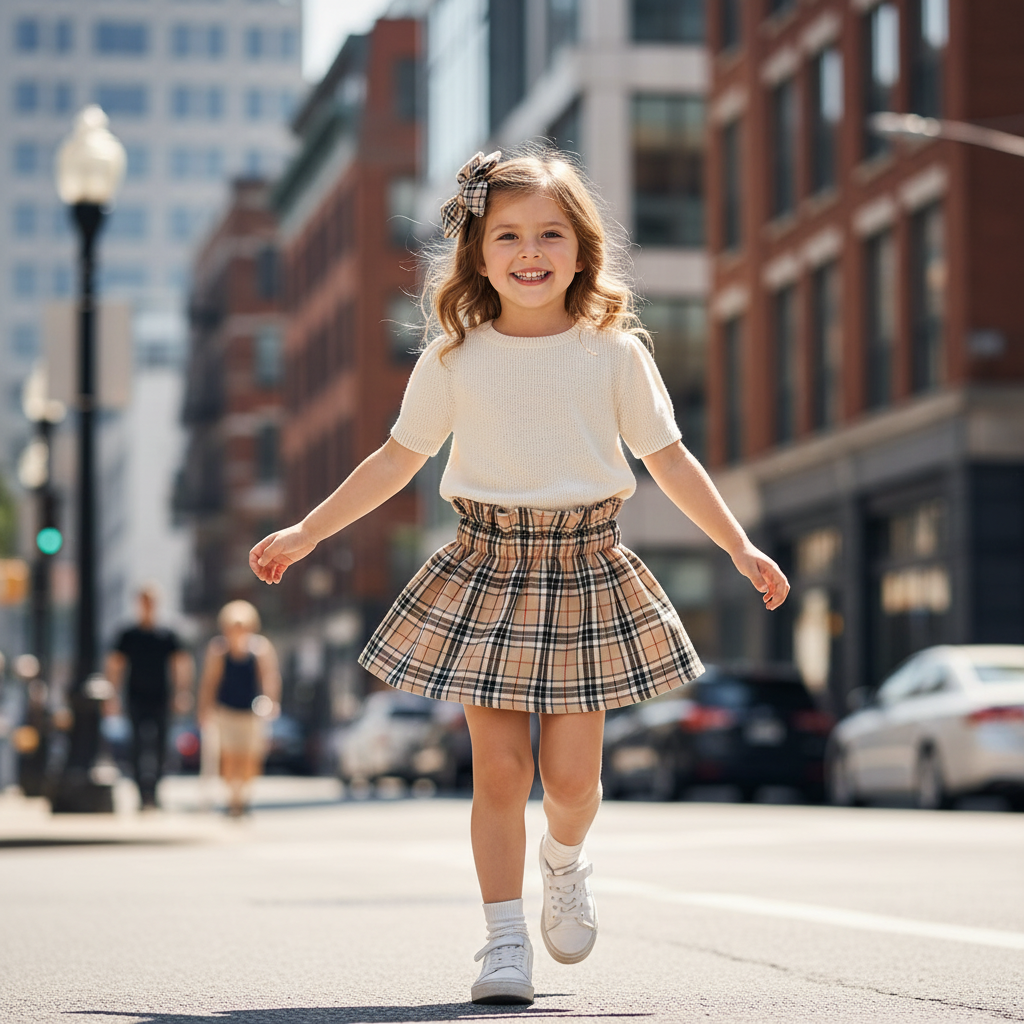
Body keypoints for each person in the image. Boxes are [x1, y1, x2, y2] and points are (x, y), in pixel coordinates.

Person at [249, 149, 789, 1005]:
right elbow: (397, 458)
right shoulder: (453, 358)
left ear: (581, 251)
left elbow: (670, 459)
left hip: (584, 569)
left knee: (573, 783)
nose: (529, 250)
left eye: (549, 234)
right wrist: (309, 531)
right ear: (478, 252)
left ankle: (563, 862)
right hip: (486, 567)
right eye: (507, 235)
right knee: (498, 772)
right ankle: (504, 941)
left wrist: (737, 545)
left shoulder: (613, 353)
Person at [107, 585, 193, 809]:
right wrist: (112, 695)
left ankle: (154, 793)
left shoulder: (167, 635)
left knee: (162, 747)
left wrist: (182, 693)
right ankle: (140, 794)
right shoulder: (128, 635)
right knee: (135, 747)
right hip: (135, 697)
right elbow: (115, 666)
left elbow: (180, 665)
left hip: (161, 697)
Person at [197, 600, 281, 818]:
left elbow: (270, 677)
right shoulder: (219, 650)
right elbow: (210, 683)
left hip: (251, 713)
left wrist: (271, 701)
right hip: (225, 712)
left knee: (250, 758)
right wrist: (204, 710)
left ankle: (243, 795)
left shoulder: (260, 649)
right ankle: (232, 797)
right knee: (229, 757)